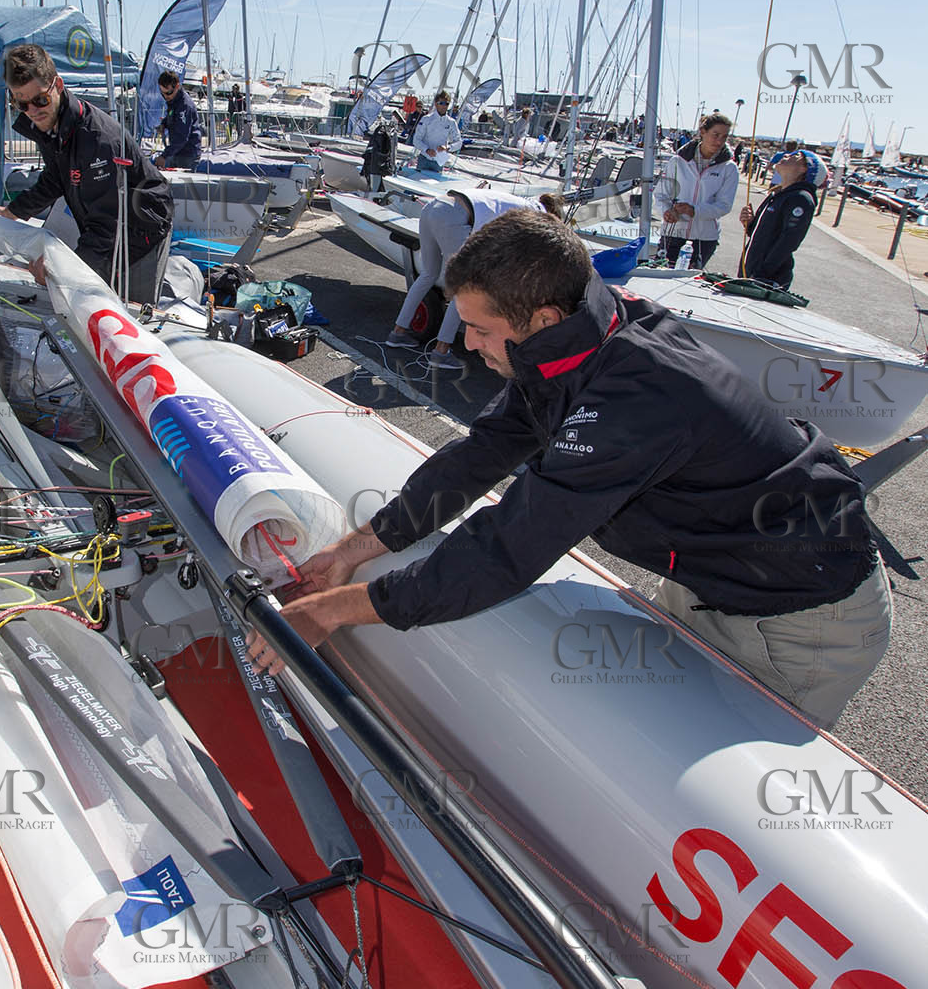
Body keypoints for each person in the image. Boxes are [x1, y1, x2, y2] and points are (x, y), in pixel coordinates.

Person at [248, 209, 891, 730]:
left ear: (543, 320)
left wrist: (330, 611)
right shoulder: (581, 337)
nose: (465, 342)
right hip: (710, 576)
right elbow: (482, 453)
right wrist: (355, 548)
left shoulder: (636, 397)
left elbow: (507, 547)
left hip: (799, 616)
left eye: (476, 328)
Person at [0, 44, 173, 305]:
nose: (32, 111)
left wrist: (63, 273)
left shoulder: (98, 141)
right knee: (92, 287)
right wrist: (13, 212)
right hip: (109, 224)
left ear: (57, 86)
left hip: (142, 228)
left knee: (130, 311)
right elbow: (56, 179)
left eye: (40, 100)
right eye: (21, 103)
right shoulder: (52, 127)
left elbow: (106, 228)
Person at [385, 189, 564, 369]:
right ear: (552, 215)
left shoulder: (521, 202)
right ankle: (441, 352)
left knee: (428, 273)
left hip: (434, 206)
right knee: (464, 288)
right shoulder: (535, 215)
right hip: (453, 215)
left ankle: (397, 333)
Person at [654, 112, 739, 269]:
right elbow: (660, 194)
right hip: (673, 234)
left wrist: (694, 210)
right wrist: (666, 211)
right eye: (716, 135)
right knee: (661, 278)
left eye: (724, 137)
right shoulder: (677, 161)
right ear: (703, 132)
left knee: (687, 285)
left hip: (704, 239)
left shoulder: (729, 168)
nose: (719, 141)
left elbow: (724, 205)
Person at [739, 148, 824, 290]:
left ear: (805, 168)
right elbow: (767, 235)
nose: (786, 155)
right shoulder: (779, 194)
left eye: (796, 156)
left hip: (765, 278)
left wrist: (761, 275)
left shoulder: (800, 198)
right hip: (751, 271)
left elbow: (789, 241)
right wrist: (750, 223)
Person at [154, 70, 201, 170]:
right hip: (176, 152)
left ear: (177, 86)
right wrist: (164, 124)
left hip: (187, 155)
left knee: (183, 185)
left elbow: (182, 137)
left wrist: (164, 156)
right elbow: (172, 117)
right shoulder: (173, 101)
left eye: (169, 93)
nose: (166, 97)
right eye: (163, 94)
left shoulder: (184, 105)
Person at [413, 91, 462, 172]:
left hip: (439, 162)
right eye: (441, 103)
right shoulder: (426, 119)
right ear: (436, 104)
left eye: (446, 103)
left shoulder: (451, 122)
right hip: (424, 159)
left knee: (436, 184)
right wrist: (427, 150)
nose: (444, 106)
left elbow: (459, 142)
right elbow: (416, 140)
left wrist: (447, 148)